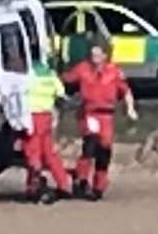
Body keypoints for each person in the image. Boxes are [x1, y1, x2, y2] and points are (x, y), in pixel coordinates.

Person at [60, 36, 136, 200]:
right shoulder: (82, 68)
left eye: (98, 54)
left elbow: (126, 91)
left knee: (104, 150)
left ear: (105, 55)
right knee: (90, 144)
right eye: (92, 54)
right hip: (89, 113)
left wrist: (130, 109)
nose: (94, 58)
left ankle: (99, 184)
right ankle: (81, 180)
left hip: (106, 115)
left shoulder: (114, 71)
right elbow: (65, 79)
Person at [20, 56, 72, 203]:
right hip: (47, 116)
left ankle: (35, 185)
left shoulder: (28, 76)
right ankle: (64, 184)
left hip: (31, 117)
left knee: (33, 152)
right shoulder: (51, 76)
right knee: (49, 153)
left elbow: (18, 94)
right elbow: (61, 95)